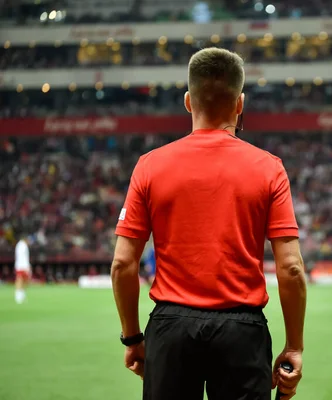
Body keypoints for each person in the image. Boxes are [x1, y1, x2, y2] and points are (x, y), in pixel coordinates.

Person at [110, 47, 307, 400]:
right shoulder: (269, 168)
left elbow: (123, 263)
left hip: (170, 330)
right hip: (242, 330)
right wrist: (294, 347)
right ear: (240, 103)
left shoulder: (149, 166)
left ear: (188, 101)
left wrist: (133, 337)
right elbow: (291, 268)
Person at [14, 234, 31, 304]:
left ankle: (22, 293)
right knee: (20, 279)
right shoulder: (21, 245)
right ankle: (18, 294)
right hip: (21, 266)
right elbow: (22, 257)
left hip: (23, 265)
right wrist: (26, 266)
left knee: (25, 280)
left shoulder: (23, 245)